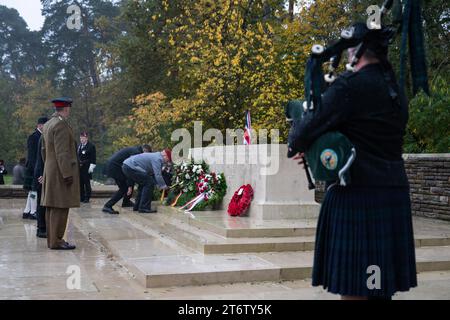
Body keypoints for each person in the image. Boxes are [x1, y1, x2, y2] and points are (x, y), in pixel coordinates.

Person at [288, 23, 417, 300]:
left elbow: (303, 130)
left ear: (357, 50)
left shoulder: (350, 86)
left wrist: (306, 145)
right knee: (377, 285)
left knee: (356, 290)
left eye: (348, 49)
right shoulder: (396, 90)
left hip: (357, 196)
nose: (345, 55)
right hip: (392, 194)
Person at [41, 97, 79, 250]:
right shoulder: (61, 125)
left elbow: (44, 150)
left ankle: (52, 240)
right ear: (66, 108)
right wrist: (67, 173)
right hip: (60, 171)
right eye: (69, 108)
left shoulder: (48, 124)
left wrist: (48, 167)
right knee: (61, 206)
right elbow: (62, 152)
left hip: (51, 169)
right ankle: (57, 241)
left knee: (51, 206)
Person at [102, 144, 152, 214]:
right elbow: (130, 169)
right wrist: (130, 185)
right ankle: (108, 206)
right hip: (115, 168)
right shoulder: (136, 153)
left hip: (113, 166)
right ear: (145, 151)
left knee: (125, 187)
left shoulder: (135, 149)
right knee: (124, 188)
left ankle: (126, 202)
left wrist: (130, 185)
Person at [122, 149, 171, 213]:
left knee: (143, 184)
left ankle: (137, 206)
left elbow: (152, 173)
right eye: (168, 160)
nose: (167, 162)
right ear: (165, 156)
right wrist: (163, 186)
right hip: (131, 167)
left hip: (127, 166)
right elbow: (158, 174)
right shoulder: (158, 158)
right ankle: (144, 207)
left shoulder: (155, 156)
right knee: (149, 183)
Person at [22, 117, 48, 219]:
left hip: (35, 167)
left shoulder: (41, 136)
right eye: (45, 125)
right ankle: (33, 211)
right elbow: (32, 156)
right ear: (40, 125)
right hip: (33, 168)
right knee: (34, 191)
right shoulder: (33, 137)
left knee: (32, 191)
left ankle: (27, 211)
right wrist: (36, 170)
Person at [77, 132, 96, 203]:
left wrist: (91, 168)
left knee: (86, 183)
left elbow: (93, 158)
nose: (82, 139)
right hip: (80, 168)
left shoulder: (91, 146)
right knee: (80, 183)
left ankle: (87, 197)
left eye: (83, 138)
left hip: (87, 168)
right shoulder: (79, 146)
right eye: (81, 138)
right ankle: (81, 197)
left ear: (87, 138)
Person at [34, 136, 47, 238]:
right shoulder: (44, 138)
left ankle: (43, 227)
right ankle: (41, 228)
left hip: (41, 173)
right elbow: (42, 158)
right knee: (41, 203)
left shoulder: (44, 136)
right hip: (41, 174)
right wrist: (42, 175)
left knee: (42, 202)